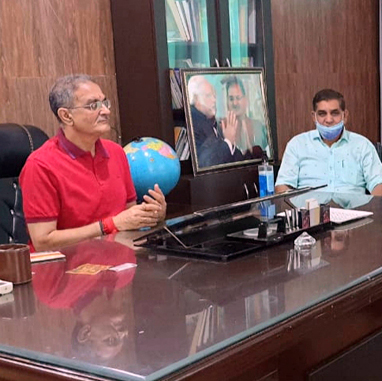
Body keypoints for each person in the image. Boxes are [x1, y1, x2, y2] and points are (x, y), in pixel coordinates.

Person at [20, 74, 166, 251]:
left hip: (119, 259)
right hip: (68, 265)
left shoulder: (116, 152)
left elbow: (129, 217)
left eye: (105, 102)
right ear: (66, 116)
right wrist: (108, 225)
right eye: (93, 105)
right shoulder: (40, 165)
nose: (106, 111)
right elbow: (43, 241)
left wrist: (153, 215)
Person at [275, 89, 382, 196]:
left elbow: (380, 183)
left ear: (345, 116)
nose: (329, 120)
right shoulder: (297, 145)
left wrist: (371, 208)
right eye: (322, 114)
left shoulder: (362, 145)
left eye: (335, 113)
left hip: (353, 209)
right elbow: (283, 185)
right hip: (309, 210)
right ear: (314, 117)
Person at [187, 75, 239, 168]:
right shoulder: (193, 123)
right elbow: (207, 163)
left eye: (214, 95)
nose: (214, 100)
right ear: (196, 99)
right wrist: (228, 141)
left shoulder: (211, 122)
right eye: (208, 96)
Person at [221, 75, 267, 160]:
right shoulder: (221, 127)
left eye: (238, 98)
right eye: (231, 99)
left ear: (245, 100)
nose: (235, 103)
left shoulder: (258, 126)